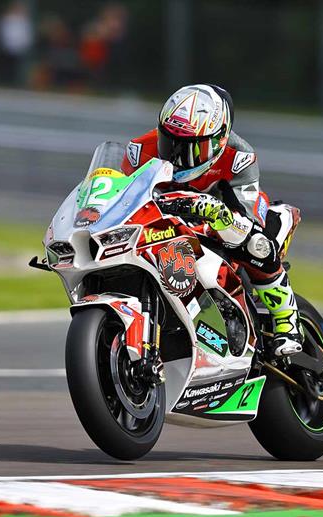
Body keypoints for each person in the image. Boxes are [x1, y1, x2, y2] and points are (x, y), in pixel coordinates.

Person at [120, 84, 303, 357]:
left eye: (191, 147)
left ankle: (287, 322)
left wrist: (215, 213)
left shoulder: (239, 158)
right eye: (170, 142)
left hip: (226, 220)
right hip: (168, 224)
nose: (177, 156)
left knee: (258, 244)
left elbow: (247, 218)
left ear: (219, 140)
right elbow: (122, 199)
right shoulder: (139, 151)